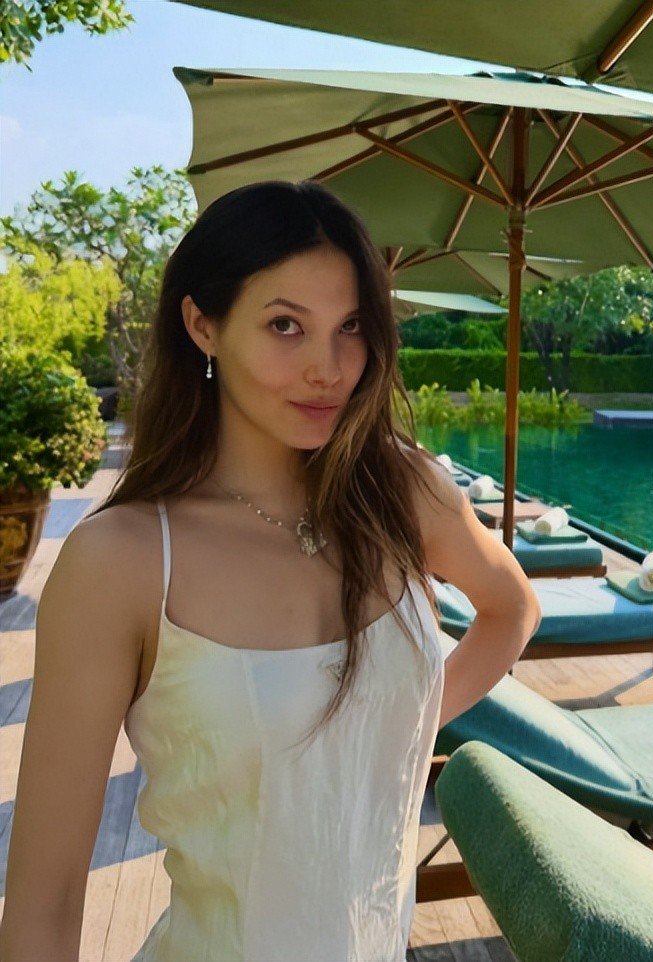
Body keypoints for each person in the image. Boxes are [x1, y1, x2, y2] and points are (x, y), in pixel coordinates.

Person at [0, 181, 540, 962]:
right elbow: (43, 908)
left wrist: (397, 731)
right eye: (286, 325)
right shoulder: (122, 562)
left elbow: (512, 609)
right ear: (203, 325)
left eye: (351, 326)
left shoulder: (402, 493)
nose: (330, 368)